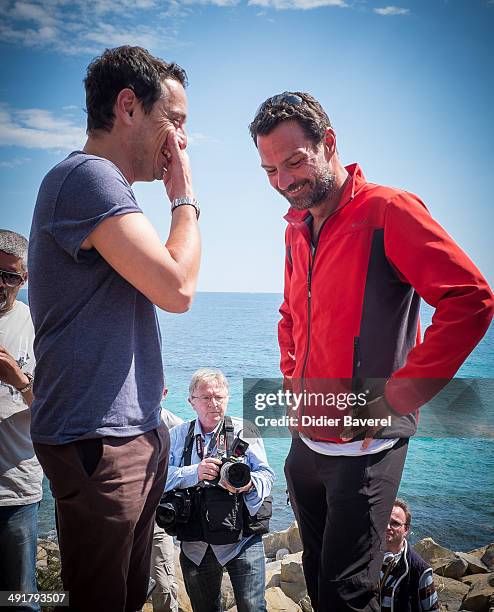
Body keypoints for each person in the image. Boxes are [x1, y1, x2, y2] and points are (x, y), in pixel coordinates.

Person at [249, 92, 493, 611]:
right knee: (317, 581)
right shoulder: (297, 228)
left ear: (328, 143)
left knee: (346, 594)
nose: (283, 181)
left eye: (293, 161)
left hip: (367, 447)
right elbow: (290, 316)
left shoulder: (389, 209)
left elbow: (470, 300)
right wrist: (293, 383)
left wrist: (398, 395)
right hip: (307, 443)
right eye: (270, 169)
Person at [28, 45, 200, 612]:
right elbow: (177, 289)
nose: (181, 140)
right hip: (100, 441)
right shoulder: (86, 177)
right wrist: (184, 198)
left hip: (126, 434)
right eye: (173, 121)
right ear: (128, 106)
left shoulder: (105, 190)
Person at [164, 368, 274, 612]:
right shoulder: (178, 435)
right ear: (191, 402)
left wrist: (247, 484)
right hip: (196, 543)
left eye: (219, 397)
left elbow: (267, 475)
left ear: (227, 398)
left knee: (253, 607)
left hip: (242, 538)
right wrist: (195, 472)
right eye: (205, 398)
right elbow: (156, 479)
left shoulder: (245, 430)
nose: (214, 404)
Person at [0, 230, 43, 612]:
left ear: (24, 279)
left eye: (9, 276)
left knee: (20, 599)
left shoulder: (37, 325)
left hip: (15, 491)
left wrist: (20, 379)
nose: (0, 283)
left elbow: (52, 408)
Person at [150, 389, 183, 612]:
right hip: (121, 517)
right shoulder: (119, 420)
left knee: (163, 583)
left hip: (156, 519)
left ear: (163, 393)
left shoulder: (175, 426)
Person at [380, 499, 439, 611]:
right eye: (385, 521)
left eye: (395, 523)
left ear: (406, 529)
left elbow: (433, 609)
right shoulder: (368, 557)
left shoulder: (420, 570)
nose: (387, 527)